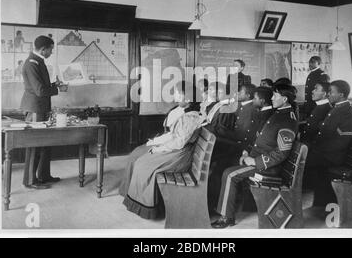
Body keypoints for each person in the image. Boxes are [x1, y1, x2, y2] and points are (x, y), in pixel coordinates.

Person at [211, 84, 298, 228]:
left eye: (275, 96)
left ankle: (227, 217)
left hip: (269, 167)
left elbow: (282, 153)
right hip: (259, 159)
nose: (271, 98)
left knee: (230, 174)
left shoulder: (287, 119)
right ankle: (225, 208)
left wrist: (254, 161)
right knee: (227, 168)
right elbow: (261, 139)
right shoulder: (279, 113)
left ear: (284, 99)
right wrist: (247, 153)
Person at [120, 81, 203, 219]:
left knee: (144, 165)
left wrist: (158, 149)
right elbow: (175, 138)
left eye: (178, 93)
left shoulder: (190, 118)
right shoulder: (187, 115)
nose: (175, 95)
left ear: (187, 99)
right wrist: (157, 146)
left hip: (180, 155)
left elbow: (178, 143)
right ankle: (139, 201)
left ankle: (147, 208)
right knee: (142, 161)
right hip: (179, 151)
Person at [304, 80, 352, 206]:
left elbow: (340, 143)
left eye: (331, 92)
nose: (328, 94)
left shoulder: (348, 113)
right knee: (299, 158)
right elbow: (324, 131)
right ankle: (320, 203)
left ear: (341, 94)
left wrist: (315, 150)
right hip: (325, 153)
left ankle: (318, 203)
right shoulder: (337, 108)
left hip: (333, 156)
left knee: (300, 161)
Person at [21, 35, 65, 189]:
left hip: (41, 108)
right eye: (51, 49)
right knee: (35, 144)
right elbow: (39, 90)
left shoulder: (38, 61)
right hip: (35, 108)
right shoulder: (32, 63)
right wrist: (56, 89)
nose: (51, 52)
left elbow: (41, 86)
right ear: (43, 49)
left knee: (45, 142)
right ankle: (30, 181)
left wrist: (56, 85)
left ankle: (44, 175)